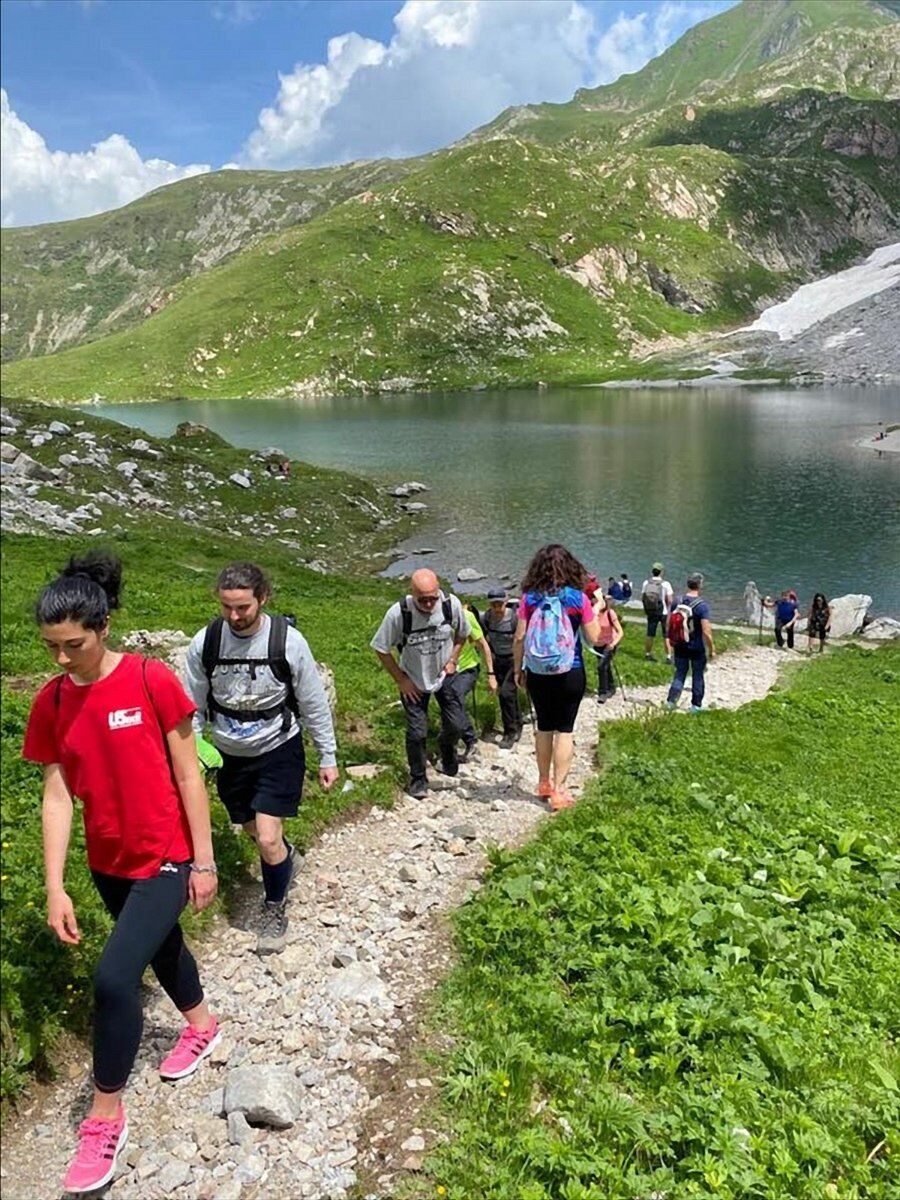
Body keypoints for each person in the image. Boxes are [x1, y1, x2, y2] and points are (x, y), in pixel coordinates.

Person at [22, 552, 219, 1195]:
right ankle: (202, 1024)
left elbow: (189, 774)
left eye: (71, 644)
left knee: (113, 978)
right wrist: (55, 885)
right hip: (106, 861)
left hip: (164, 854)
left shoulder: (148, 679)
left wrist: (205, 860)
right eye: (51, 646)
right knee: (161, 947)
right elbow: (57, 797)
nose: (60, 658)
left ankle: (105, 1117)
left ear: (102, 627)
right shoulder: (51, 702)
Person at [183, 563, 338, 955]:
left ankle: (274, 907)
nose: (234, 617)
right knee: (252, 829)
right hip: (229, 753)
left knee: (268, 838)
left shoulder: (288, 642)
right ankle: (286, 858)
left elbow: (312, 701)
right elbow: (191, 702)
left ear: (263, 599)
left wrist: (328, 754)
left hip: (278, 748)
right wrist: (194, 752)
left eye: (243, 608)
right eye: (226, 607)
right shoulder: (207, 642)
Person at [513, 544, 601, 811]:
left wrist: (518, 669)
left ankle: (542, 783)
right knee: (565, 729)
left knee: (544, 726)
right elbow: (595, 638)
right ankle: (560, 791)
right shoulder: (577, 598)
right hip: (570, 670)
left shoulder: (529, 598)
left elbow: (519, 637)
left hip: (538, 672)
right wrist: (597, 610)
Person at [371, 568, 468, 799]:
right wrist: (401, 680)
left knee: (457, 724)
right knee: (417, 732)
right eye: (422, 599)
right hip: (413, 679)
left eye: (432, 598)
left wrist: (453, 659)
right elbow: (381, 648)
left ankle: (447, 751)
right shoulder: (399, 613)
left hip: (444, 674)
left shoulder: (450, 605)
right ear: (412, 593)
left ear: (438, 591)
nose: (428, 604)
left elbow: (463, 633)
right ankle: (418, 779)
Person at [452, 603, 498, 760]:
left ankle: (470, 739)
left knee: (455, 696)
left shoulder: (467, 617)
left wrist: (491, 674)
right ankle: (450, 747)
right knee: (449, 705)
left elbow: (483, 645)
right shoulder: (432, 618)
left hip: (468, 667)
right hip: (445, 670)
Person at [666, 572, 715, 712]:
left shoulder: (677, 600)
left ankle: (671, 702)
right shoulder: (702, 606)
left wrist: (670, 639)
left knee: (680, 673)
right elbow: (706, 631)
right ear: (700, 585)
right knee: (697, 675)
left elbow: (670, 622)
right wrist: (712, 649)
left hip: (680, 644)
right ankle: (695, 706)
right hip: (696, 647)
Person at [480, 587, 522, 749]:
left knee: (506, 694)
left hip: (514, 660)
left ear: (506, 602)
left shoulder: (515, 618)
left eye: (500, 604)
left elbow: (521, 640)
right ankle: (517, 723)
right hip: (498, 660)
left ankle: (509, 732)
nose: (497, 608)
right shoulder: (486, 618)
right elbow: (484, 640)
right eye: (493, 605)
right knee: (507, 695)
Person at [587, 581, 623, 703]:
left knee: (601, 666)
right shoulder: (593, 613)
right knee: (605, 667)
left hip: (610, 644)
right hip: (598, 645)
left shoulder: (610, 613)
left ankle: (603, 692)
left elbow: (620, 632)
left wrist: (613, 644)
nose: (594, 603)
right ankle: (611, 687)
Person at [641, 562, 674, 662]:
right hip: (663, 612)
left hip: (651, 611)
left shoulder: (646, 583)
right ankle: (668, 657)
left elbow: (643, 597)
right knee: (666, 635)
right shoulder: (665, 584)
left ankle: (647, 654)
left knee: (650, 633)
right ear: (661, 572)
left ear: (652, 572)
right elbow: (670, 600)